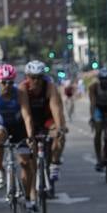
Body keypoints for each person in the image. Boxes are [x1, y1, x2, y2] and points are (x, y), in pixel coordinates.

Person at [0, 63, 41, 213]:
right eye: (4, 82)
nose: (7, 85)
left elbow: (27, 117)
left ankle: (28, 198)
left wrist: (30, 137)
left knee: (25, 163)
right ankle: (0, 170)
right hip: (1, 125)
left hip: (18, 127)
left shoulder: (20, 93)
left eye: (10, 82)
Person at [20, 60, 67, 190]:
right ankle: (35, 178)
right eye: (32, 77)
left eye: (39, 77)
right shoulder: (23, 88)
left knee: (59, 136)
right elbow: (26, 114)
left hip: (47, 118)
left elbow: (56, 109)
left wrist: (60, 128)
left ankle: (55, 163)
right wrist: (30, 136)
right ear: (27, 77)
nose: (36, 81)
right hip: (31, 120)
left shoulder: (50, 87)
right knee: (31, 148)